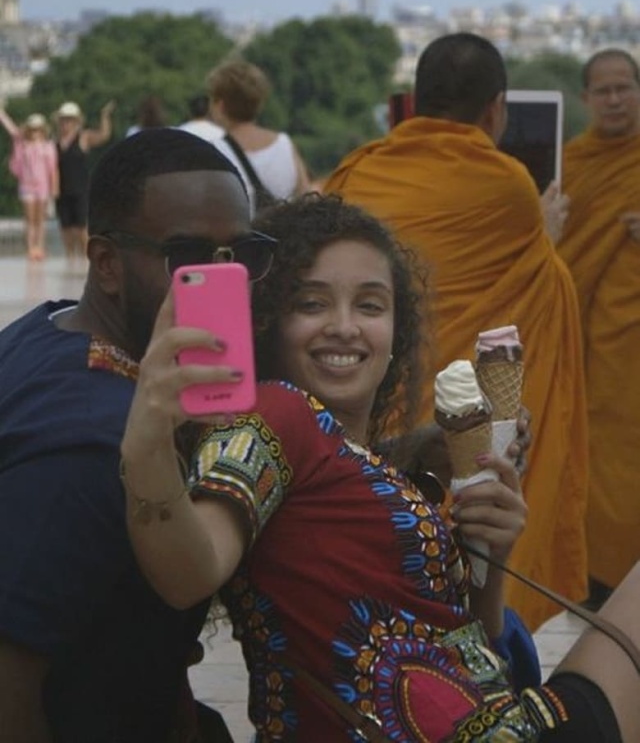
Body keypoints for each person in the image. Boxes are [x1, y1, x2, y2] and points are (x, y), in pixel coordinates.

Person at [120, 192, 637, 743]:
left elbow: (472, 651)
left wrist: (492, 556)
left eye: (370, 306)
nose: (344, 327)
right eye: (312, 303)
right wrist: (146, 441)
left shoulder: (367, 463)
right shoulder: (275, 414)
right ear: (268, 319)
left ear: (396, 334)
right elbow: (190, 572)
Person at [323, 32, 589, 632]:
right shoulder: (509, 186)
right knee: (457, 568)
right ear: (495, 109)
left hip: (368, 407)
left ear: (414, 102)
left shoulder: (359, 171)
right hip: (458, 426)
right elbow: (539, 283)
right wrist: (546, 234)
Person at [0, 129, 257, 742]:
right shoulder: (94, 447)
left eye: (242, 254)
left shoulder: (53, 326)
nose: (223, 279)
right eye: (186, 256)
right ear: (107, 264)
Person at [557, 48, 640, 609]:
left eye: (625, 87)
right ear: (585, 99)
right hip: (577, 334)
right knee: (591, 447)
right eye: (603, 90)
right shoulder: (571, 164)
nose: (615, 99)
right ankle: (598, 574)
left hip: (630, 337)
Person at [207, 58, 311, 203]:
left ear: (220, 105)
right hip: (280, 225)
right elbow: (306, 196)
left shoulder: (213, 151)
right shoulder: (284, 144)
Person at [54, 98, 116, 265]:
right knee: (66, 228)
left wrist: (105, 116)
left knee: (81, 228)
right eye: (63, 120)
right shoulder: (55, 142)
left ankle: (86, 261)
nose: (66, 123)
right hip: (61, 190)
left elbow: (103, 135)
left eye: (69, 119)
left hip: (80, 189)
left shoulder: (83, 137)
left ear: (76, 121)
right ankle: (70, 259)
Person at [0, 103, 58, 260]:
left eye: (38, 128)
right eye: (32, 128)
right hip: (27, 186)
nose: (35, 132)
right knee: (30, 219)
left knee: (40, 220)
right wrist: (2, 113)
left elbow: (52, 169)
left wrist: (54, 188)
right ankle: (31, 247)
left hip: (43, 186)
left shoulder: (48, 146)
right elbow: (11, 129)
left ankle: (39, 246)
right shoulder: (23, 144)